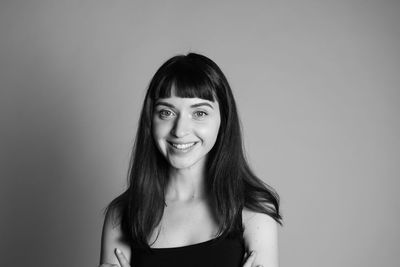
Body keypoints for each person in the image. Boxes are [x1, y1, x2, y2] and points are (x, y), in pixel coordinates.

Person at [99, 53, 282, 267]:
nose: (180, 130)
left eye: (200, 113)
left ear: (223, 120)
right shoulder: (121, 215)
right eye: (166, 112)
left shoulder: (254, 211)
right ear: (151, 120)